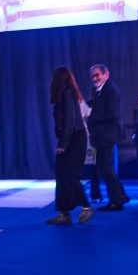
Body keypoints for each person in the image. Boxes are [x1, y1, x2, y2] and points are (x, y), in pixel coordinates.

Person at [47, 67, 94, 225]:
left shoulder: (67, 94)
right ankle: (64, 213)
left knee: (70, 175)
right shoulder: (67, 94)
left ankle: (86, 207)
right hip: (71, 138)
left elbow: (70, 122)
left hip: (73, 139)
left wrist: (63, 144)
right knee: (62, 176)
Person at [86, 64, 129, 210]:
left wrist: (91, 118)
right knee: (106, 168)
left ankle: (116, 201)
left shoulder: (110, 90)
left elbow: (112, 114)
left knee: (106, 168)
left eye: (97, 75)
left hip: (107, 135)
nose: (94, 78)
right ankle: (120, 196)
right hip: (103, 135)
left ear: (106, 75)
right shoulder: (100, 91)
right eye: (92, 76)